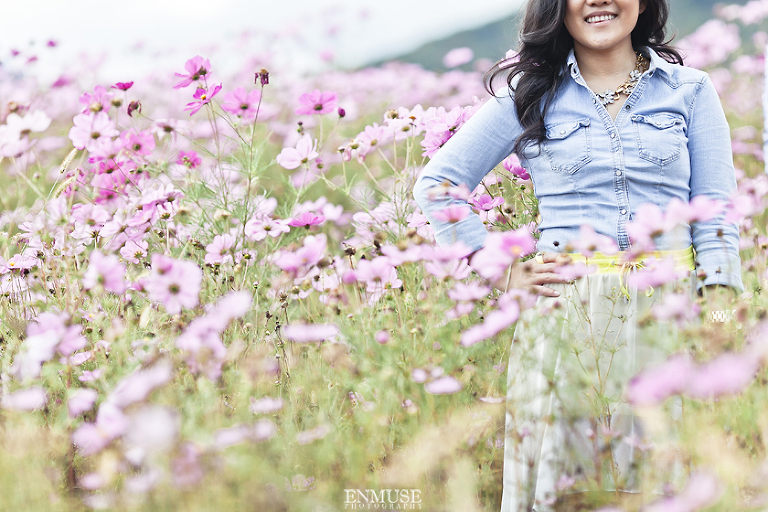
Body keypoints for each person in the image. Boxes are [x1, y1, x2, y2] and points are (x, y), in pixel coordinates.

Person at [412, 0, 744, 510]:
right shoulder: (529, 96)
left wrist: (719, 319)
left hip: (668, 316)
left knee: (667, 484)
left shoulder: (690, 90)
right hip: (567, 318)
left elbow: (716, 212)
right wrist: (499, 270)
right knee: (571, 489)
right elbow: (437, 185)